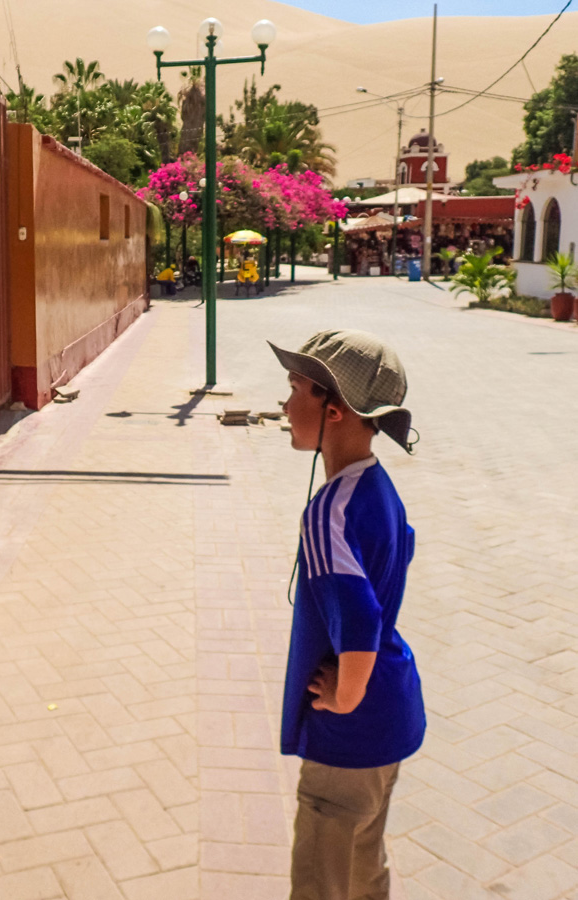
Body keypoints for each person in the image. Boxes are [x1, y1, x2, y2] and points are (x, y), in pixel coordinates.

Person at [269, 330, 425, 900]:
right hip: (391, 715)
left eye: (294, 390)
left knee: (320, 882)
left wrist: (344, 695)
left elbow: (358, 620)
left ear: (333, 410)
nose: (285, 406)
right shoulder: (377, 486)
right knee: (364, 867)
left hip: (351, 733)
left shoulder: (328, 512)